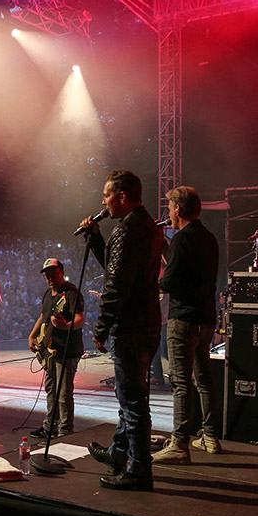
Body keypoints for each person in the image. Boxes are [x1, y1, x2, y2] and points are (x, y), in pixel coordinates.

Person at [80, 170, 162, 491]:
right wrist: (96, 237)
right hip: (148, 323)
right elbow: (118, 266)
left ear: (122, 196)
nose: (103, 201)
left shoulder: (129, 230)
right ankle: (120, 451)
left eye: (107, 195)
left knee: (132, 401)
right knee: (129, 395)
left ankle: (139, 468)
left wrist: (101, 327)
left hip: (130, 326)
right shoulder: (149, 226)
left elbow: (115, 285)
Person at [151, 186, 221, 464]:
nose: (167, 213)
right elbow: (187, 269)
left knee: (181, 383)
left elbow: (170, 281)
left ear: (178, 209)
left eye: (169, 208)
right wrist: (165, 247)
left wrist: (154, 283)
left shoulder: (182, 239)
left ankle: (180, 443)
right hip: (206, 318)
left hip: (182, 319)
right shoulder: (208, 238)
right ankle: (210, 436)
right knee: (204, 379)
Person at [27, 258, 84, 438]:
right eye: (47, 275)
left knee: (64, 394)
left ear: (61, 272)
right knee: (51, 389)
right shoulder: (47, 294)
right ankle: (49, 426)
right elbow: (43, 315)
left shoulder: (71, 293)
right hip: (49, 350)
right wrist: (32, 335)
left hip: (67, 350)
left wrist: (65, 326)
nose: (50, 278)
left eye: (53, 274)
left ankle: (65, 431)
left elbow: (80, 319)